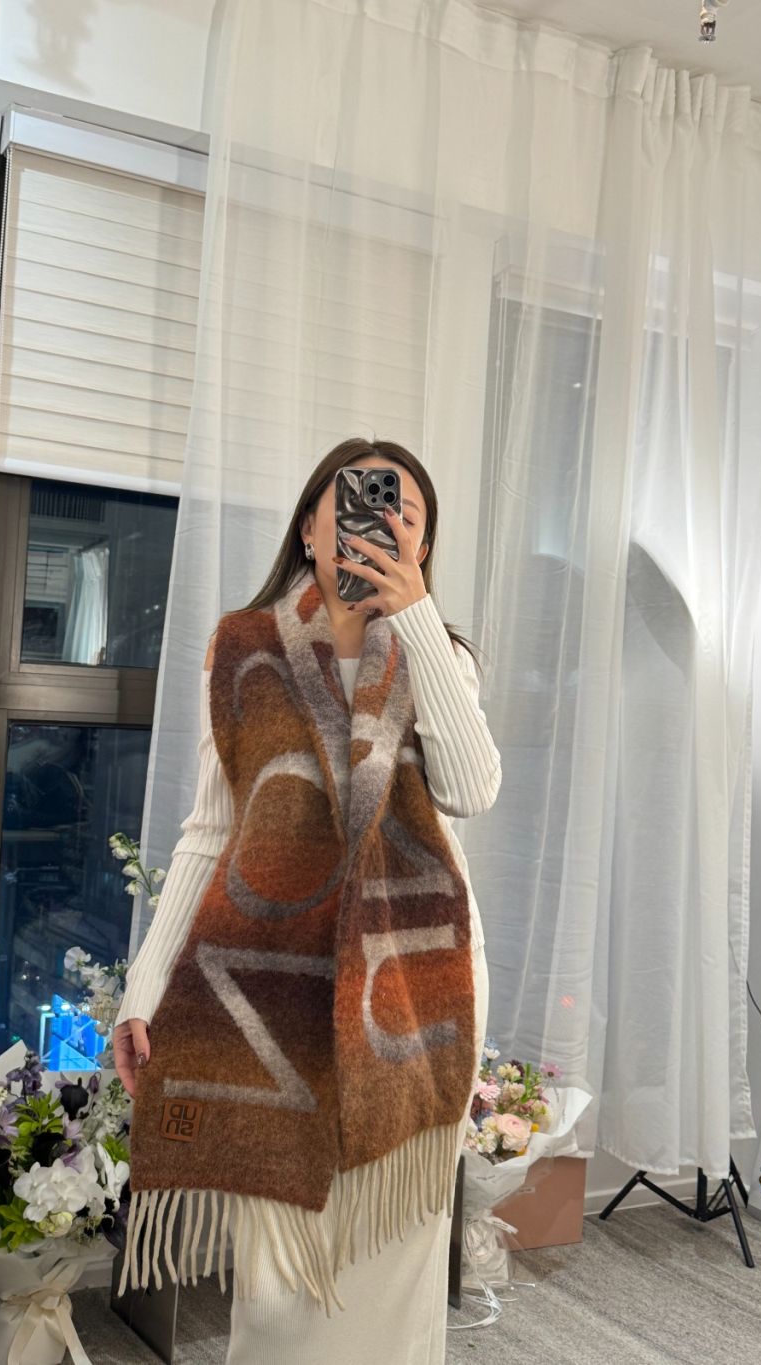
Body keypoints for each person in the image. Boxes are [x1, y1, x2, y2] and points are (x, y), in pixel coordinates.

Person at [113, 436, 500, 1363]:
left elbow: (472, 787)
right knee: (281, 1278)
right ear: (310, 528)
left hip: (417, 992)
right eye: (357, 503)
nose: (378, 524)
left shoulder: (440, 655)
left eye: (403, 514)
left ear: (422, 545)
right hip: (275, 989)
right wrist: (144, 988)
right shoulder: (243, 650)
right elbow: (211, 829)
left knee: (394, 1256)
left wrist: (418, 621)